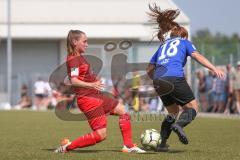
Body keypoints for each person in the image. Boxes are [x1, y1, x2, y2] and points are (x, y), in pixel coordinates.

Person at [146, 4, 225, 152]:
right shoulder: (184, 42)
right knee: (193, 107)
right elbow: (197, 56)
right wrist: (213, 68)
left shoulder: (162, 46)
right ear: (183, 36)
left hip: (158, 79)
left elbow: (149, 69)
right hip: (174, 77)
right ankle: (179, 126)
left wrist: (156, 80)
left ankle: (162, 144)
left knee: (172, 112)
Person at [54, 30, 145, 153]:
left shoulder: (79, 57)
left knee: (122, 110)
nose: (87, 44)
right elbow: (74, 80)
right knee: (101, 135)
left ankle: (128, 146)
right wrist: (91, 84)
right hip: (88, 100)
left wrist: (93, 79)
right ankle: (67, 147)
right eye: (84, 41)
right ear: (75, 42)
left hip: (96, 96)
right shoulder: (74, 59)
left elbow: (82, 75)